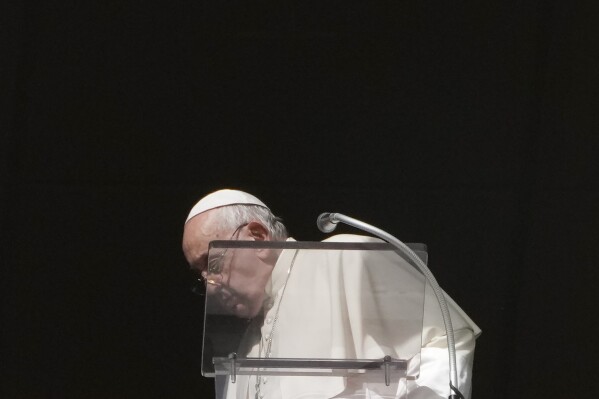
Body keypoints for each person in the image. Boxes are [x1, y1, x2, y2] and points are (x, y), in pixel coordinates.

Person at [182, 189, 481, 399]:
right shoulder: (238, 348)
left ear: (258, 236)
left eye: (213, 262)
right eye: (200, 275)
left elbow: (443, 348)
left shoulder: (343, 259)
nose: (210, 284)